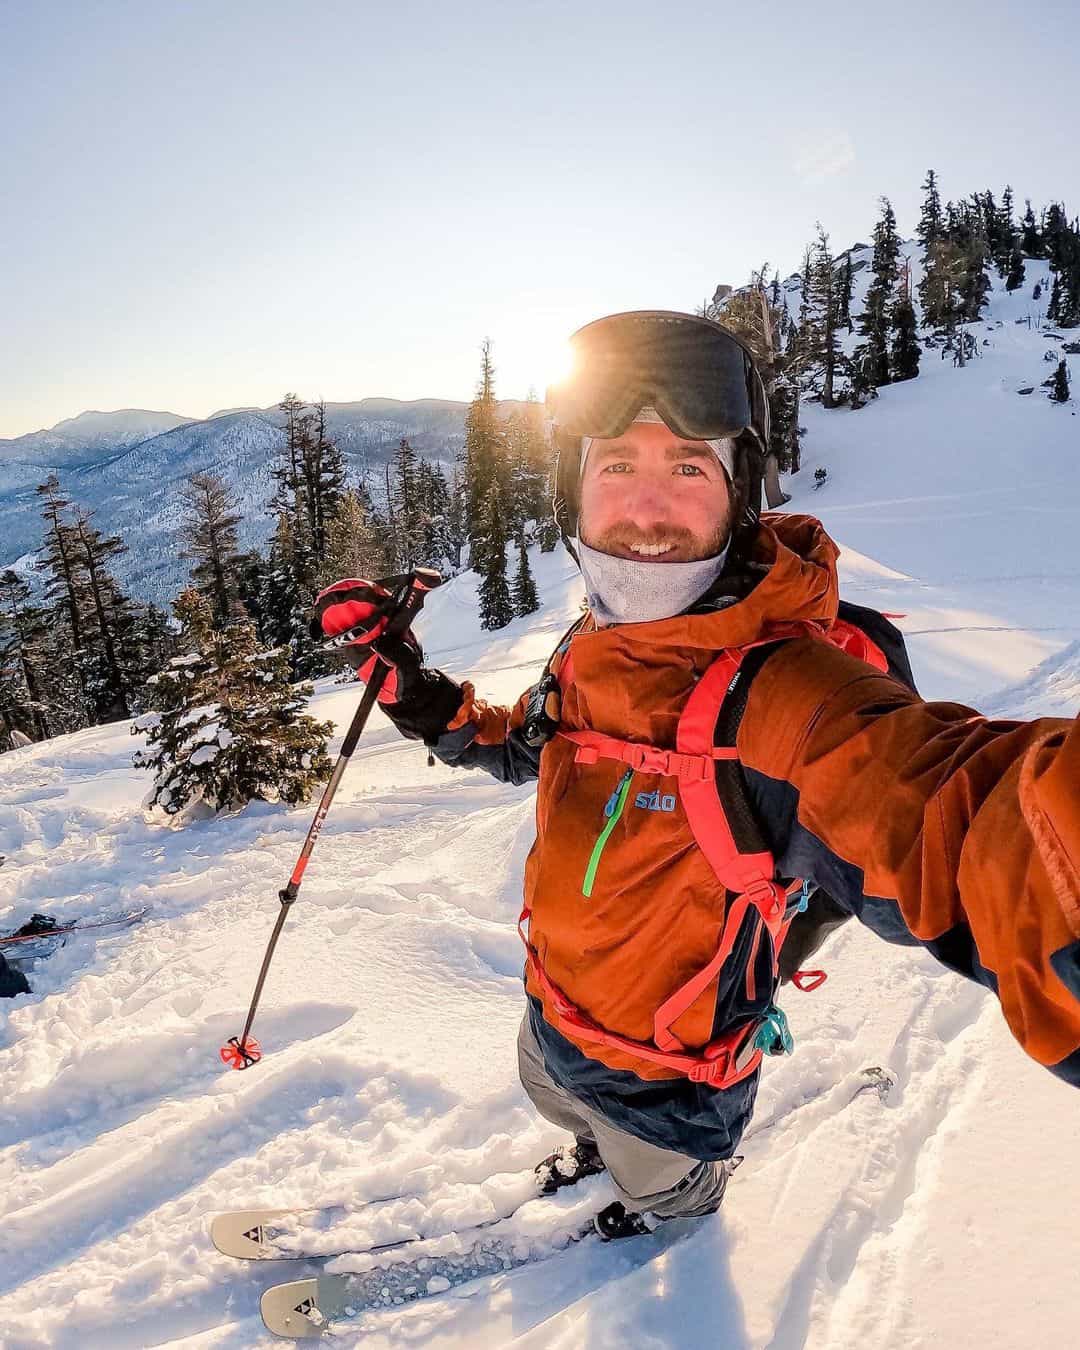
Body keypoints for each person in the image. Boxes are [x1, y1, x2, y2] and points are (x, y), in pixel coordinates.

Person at [315, 311, 1080, 1240]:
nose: (646, 508)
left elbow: (967, 824)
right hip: (553, 1014)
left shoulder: (791, 698)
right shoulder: (593, 646)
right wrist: (416, 691)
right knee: (559, 1099)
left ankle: (680, 1205)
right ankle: (595, 1144)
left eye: (687, 466)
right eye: (616, 466)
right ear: (573, 490)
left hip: (673, 1074)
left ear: (738, 491)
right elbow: (519, 746)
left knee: (665, 1182)